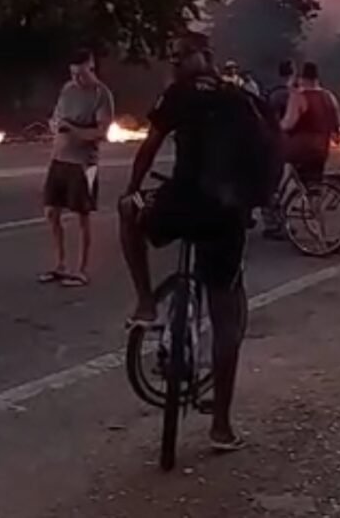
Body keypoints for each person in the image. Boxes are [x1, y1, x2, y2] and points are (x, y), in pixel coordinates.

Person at [119, 31, 249, 451]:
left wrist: (132, 189)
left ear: (201, 56)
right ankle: (222, 427)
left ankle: (144, 301)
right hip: (226, 212)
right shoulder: (238, 96)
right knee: (226, 318)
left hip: (182, 201)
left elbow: (150, 148)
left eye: (180, 57)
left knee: (128, 215)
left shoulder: (177, 93)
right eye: (172, 58)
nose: (175, 64)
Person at [39, 49, 114, 287]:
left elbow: (101, 132)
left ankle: (81, 269)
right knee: (51, 211)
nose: (77, 80)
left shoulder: (102, 95)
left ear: (91, 68)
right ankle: (60, 264)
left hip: (84, 163)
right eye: (73, 74)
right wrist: (56, 127)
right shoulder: (67, 90)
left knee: (83, 215)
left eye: (81, 74)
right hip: (59, 158)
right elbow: (56, 118)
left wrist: (75, 131)